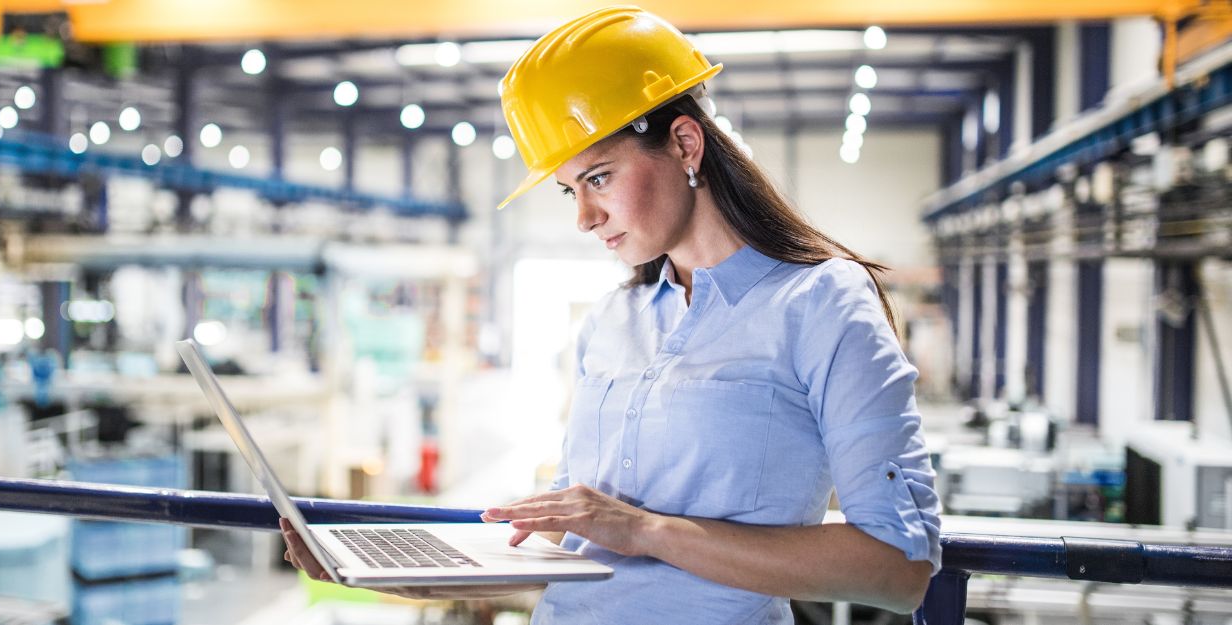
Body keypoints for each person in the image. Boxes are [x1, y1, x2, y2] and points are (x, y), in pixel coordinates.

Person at [283, 6, 942, 623]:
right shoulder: (612, 321)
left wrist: (644, 528)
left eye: (598, 178)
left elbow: (897, 568)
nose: (583, 217)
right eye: (571, 189)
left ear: (685, 145)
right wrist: (385, 570)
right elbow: (571, 550)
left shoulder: (822, 302)